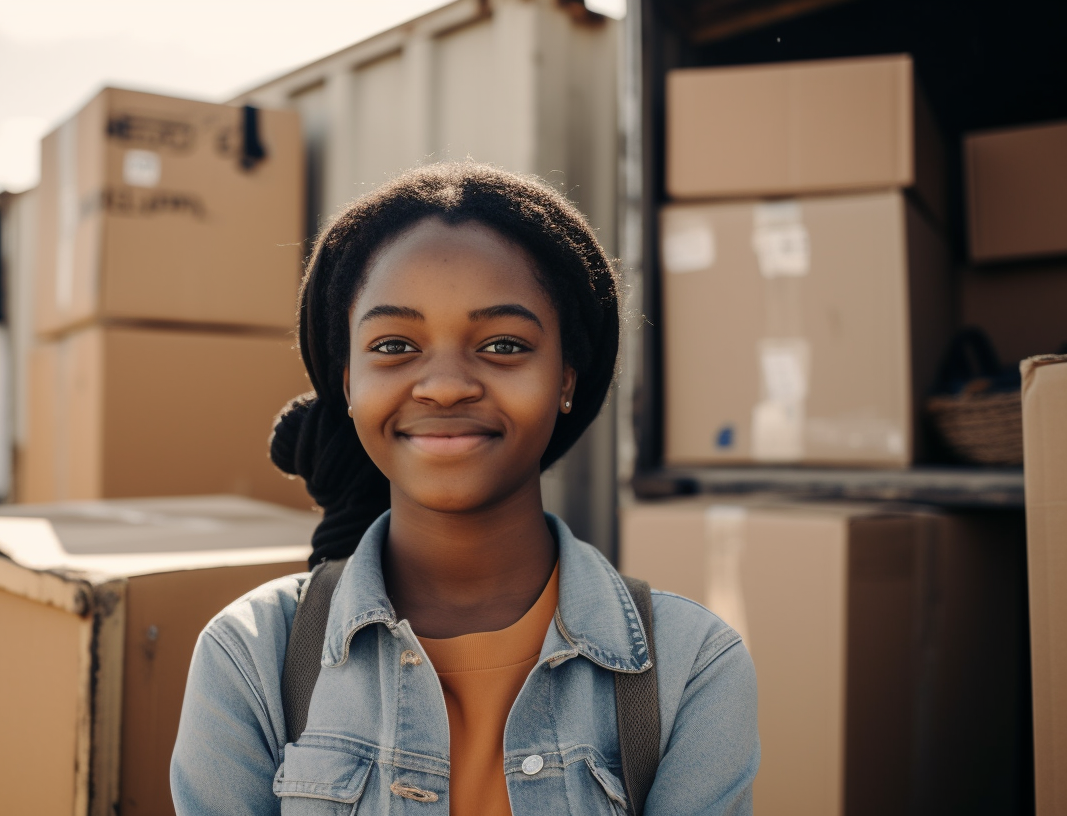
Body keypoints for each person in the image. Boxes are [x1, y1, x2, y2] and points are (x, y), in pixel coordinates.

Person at [170, 163, 759, 815]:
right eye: (394, 344)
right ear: (346, 382)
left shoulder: (689, 666)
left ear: (567, 377)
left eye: (504, 345)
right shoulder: (252, 655)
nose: (445, 384)